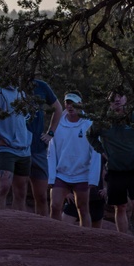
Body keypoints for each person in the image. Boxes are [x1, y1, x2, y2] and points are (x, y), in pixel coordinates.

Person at [87, 88, 134, 239]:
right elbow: (90, 135)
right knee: (120, 206)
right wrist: (101, 151)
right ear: (109, 102)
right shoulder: (103, 121)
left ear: (126, 99)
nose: (117, 100)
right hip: (114, 170)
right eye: (113, 98)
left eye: (120, 97)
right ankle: (123, 239)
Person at [48, 92, 100, 228]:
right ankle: (54, 236)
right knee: (55, 205)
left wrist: (93, 179)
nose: (70, 106)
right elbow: (51, 151)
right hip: (61, 173)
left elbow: (96, 152)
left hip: (81, 174)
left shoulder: (89, 123)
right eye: (67, 103)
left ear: (80, 104)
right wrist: (51, 177)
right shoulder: (58, 123)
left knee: (82, 209)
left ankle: (85, 239)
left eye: (73, 103)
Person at [0, 80, 32, 211]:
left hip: (24, 149)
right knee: (4, 186)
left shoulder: (21, 93)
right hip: (6, 149)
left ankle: (18, 225)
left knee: (21, 191)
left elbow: (25, 117)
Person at [27, 79, 62, 216]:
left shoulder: (41, 86)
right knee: (20, 192)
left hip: (39, 149)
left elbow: (58, 108)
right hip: (19, 148)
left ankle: (42, 231)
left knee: (41, 196)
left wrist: (50, 133)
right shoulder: (12, 87)